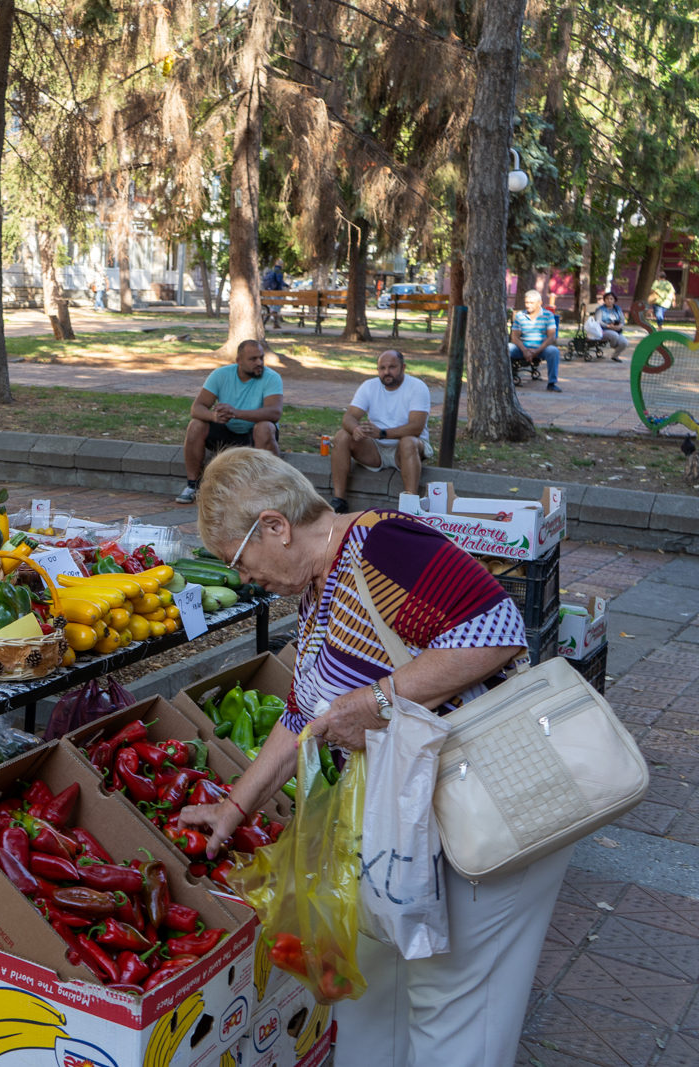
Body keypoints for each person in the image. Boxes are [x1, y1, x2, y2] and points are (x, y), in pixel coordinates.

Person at [181, 448, 553, 1067]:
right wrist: (233, 808)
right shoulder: (318, 585)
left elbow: (497, 631)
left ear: (275, 526)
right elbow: (301, 717)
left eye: (239, 561)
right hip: (410, 817)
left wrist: (378, 700)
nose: (242, 578)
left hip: (483, 808)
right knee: (375, 989)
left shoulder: (384, 546)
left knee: (454, 1006)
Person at [175, 339, 282, 504]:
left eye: (261, 357)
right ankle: (192, 486)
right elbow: (196, 408)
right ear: (239, 360)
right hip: (226, 433)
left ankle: (265, 488)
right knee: (196, 425)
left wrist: (237, 413)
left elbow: (274, 413)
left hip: (255, 436)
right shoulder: (220, 375)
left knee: (265, 427)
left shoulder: (272, 377)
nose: (259, 363)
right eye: (253, 359)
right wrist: (214, 417)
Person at [327, 349, 431, 512]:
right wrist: (355, 428)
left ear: (403, 367)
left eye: (392, 367)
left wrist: (382, 433)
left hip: (408, 447)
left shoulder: (417, 387)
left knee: (408, 442)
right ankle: (339, 501)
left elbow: (416, 427)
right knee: (341, 436)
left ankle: (410, 507)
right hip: (376, 449)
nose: (386, 372)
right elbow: (349, 417)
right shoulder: (369, 386)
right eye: (382, 368)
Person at [510, 288, 561, 392]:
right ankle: (506, 379)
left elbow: (551, 337)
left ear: (539, 303)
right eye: (526, 302)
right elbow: (514, 337)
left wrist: (536, 351)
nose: (528, 305)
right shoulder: (520, 316)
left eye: (531, 303)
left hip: (541, 349)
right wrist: (525, 351)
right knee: (507, 348)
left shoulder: (548, 315)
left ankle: (552, 383)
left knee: (554, 351)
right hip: (522, 348)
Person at [591, 290, 629, 362]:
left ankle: (615, 356)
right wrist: (608, 326)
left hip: (617, 329)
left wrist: (619, 326)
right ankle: (613, 345)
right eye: (607, 298)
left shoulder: (618, 309)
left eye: (611, 299)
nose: (609, 300)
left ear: (614, 300)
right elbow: (598, 321)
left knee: (624, 343)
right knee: (614, 335)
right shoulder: (600, 309)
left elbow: (622, 321)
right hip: (604, 330)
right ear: (604, 300)